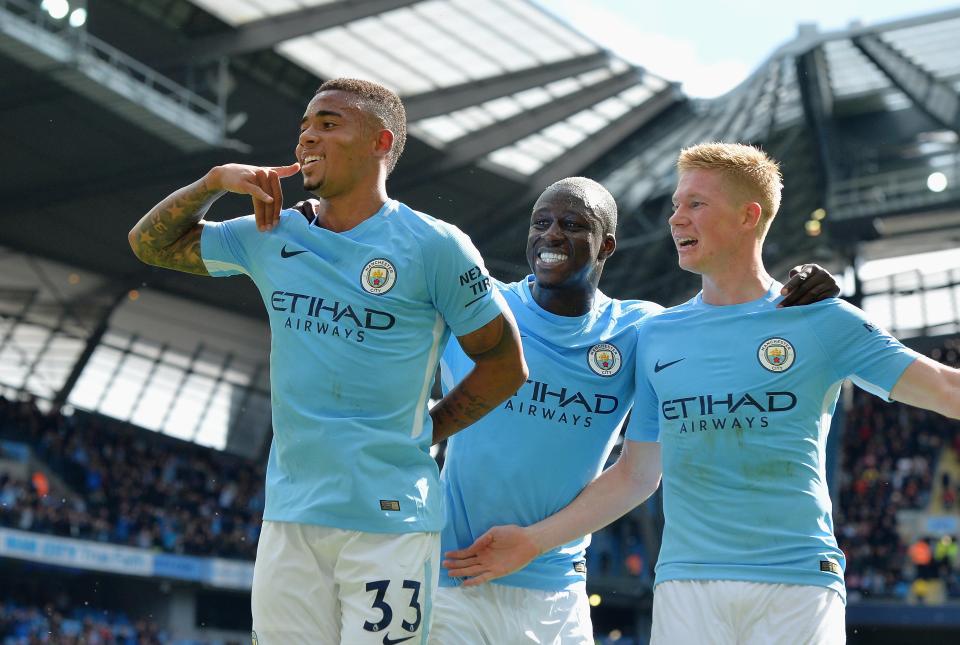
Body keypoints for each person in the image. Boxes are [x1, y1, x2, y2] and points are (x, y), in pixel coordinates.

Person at [443, 143, 960, 644]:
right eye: (675, 205)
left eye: (695, 204)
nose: (675, 219)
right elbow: (636, 472)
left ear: (747, 216)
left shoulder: (815, 318)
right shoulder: (656, 334)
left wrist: (819, 296)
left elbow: (944, 387)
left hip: (797, 577)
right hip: (682, 582)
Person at [127, 78, 528, 644]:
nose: (307, 138)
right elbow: (150, 246)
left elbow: (505, 364)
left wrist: (428, 429)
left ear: (379, 142)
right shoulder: (273, 234)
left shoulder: (435, 246)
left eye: (328, 124)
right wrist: (214, 182)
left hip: (389, 521)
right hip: (290, 516)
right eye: (304, 126)